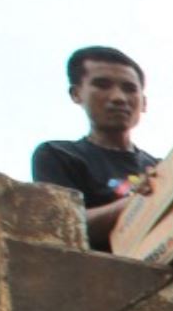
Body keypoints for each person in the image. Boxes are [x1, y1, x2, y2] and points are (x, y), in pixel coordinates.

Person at [32, 46, 157, 253]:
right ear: (76, 94)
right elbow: (59, 227)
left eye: (129, 88)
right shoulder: (58, 155)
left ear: (143, 103)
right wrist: (139, 205)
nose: (118, 97)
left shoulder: (163, 168)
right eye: (102, 85)